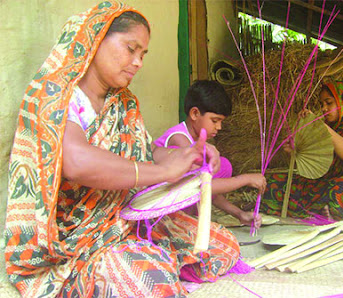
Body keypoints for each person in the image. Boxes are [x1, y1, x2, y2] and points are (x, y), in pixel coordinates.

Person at [4, 2, 241, 297]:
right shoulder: (54, 93)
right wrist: (165, 171)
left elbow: (144, 154)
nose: (138, 62)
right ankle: (119, 267)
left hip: (122, 219)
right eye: (131, 49)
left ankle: (145, 257)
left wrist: (189, 155)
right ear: (97, 38)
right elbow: (76, 162)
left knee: (224, 245)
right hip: (73, 239)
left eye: (142, 54)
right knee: (150, 280)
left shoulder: (124, 103)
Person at [155, 80, 266, 228]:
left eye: (221, 121)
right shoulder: (179, 140)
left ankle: (189, 220)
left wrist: (239, 214)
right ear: (195, 113)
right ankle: (180, 222)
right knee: (219, 167)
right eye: (215, 120)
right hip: (160, 213)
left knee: (222, 165)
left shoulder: (199, 143)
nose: (219, 127)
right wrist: (244, 179)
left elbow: (207, 191)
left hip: (185, 200)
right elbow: (200, 186)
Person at [261, 79, 343, 219]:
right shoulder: (328, 128)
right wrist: (294, 151)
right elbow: (314, 163)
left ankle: (328, 212)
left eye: (329, 103)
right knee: (275, 181)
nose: (324, 109)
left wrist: (321, 127)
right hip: (326, 185)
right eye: (322, 104)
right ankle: (324, 211)